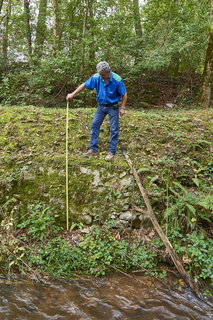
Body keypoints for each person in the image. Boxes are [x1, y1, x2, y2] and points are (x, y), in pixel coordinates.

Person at [66, 61, 127, 161]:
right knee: (94, 125)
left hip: (113, 106)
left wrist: (123, 108)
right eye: (101, 75)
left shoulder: (117, 79)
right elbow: (84, 85)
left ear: (108, 71)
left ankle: (111, 151)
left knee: (114, 129)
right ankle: (93, 149)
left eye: (105, 75)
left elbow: (124, 93)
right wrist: (72, 94)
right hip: (101, 106)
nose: (103, 77)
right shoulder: (96, 77)